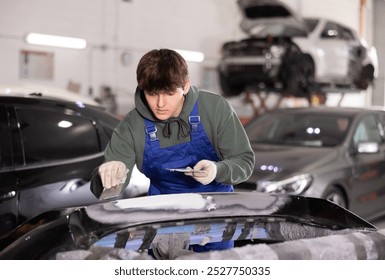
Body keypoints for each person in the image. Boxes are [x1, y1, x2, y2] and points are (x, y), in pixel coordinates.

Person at [97, 48, 255, 253]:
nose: (160, 104)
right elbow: (108, 193)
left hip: (215, 219)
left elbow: (244, 162)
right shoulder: (132, 125)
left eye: (169, 94)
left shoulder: (214, 109)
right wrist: (110, 180)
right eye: (152, 94)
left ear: (185, 86)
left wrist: (218, 171)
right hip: (163, 221)